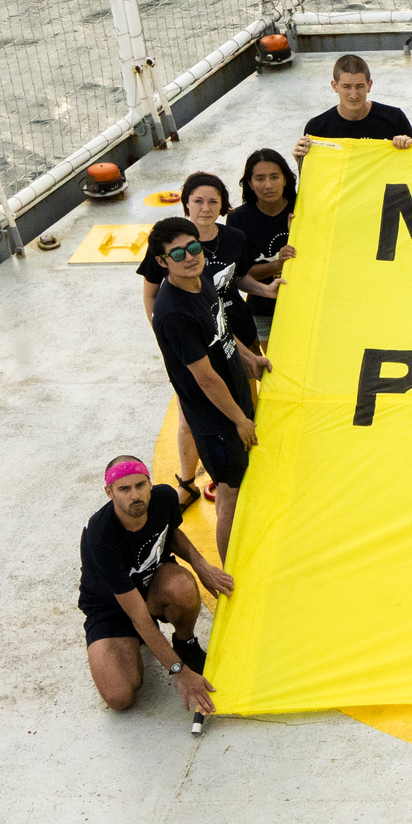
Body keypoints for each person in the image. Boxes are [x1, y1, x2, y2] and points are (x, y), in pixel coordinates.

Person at [146, 215, 266, 561]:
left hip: (233, 400)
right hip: (215, 420)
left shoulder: (202, 280)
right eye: (178, 253)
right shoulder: (172, 313)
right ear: (162, 261)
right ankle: (233, 568)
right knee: (228, 494)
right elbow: (204, 377)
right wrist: (239, 420)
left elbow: (221, 327)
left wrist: (248, 358)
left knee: (242, 485)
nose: (190, 257)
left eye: (194, 247)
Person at [137, 172, 253, 501]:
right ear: (185, 203)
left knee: (243, 402)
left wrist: (249, 356)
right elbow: (151, 296)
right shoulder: (167, 249)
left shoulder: (215, 254)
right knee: (190, 419)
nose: (205, 207)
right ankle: (187, 481)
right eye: (198, 200)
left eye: (213, 201)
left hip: (222, 341)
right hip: (192, 345)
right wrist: (167, 340)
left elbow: (225, 308)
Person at [81, 455, 226, 716]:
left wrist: (201, 565)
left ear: (150, 484)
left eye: (140, 485)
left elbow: (170, 534)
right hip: (111, 608)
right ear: (109, 492)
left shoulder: (164, 498)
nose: (135, 495)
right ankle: (134, 644)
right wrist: (180, 672)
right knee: (122, 697)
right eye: (124, 489)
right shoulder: (100, 536)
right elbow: (137, 616)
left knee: (182, 587)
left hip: (152, 585)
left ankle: (185, 642)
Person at [228, 148, 297, 343]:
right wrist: (278, 265)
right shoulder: (237, 219)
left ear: (285, 179)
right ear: (249, 183)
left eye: (274, 177)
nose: (268, 185)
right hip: (263, 309)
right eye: (260, 179)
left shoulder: (304, 208)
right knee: (272, 367)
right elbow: (242, 274)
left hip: (308, 304)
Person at [292, 55, 412, 159]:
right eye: (346, 86)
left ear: (369, 85)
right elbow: (315, 176)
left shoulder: (394, 119)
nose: (353, 94)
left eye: (360, 86)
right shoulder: (317, 128)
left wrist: (408, 146)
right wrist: (301, 161)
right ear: (335, 86)